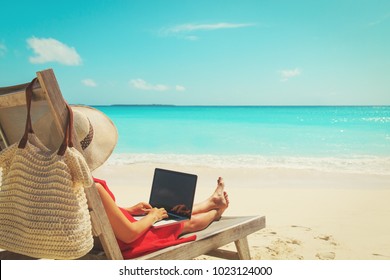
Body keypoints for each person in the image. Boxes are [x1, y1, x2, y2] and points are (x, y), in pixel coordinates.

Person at [71, 105, 229, 259]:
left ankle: (211, 202)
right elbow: (129, 235)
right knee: (183, 223)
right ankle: (216, 212)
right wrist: (153, 216)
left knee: (167, 212)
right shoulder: (94, 187)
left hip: (106, 236)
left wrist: (129, 210)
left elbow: (97, 210)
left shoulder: (66, 183)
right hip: (126, 243)